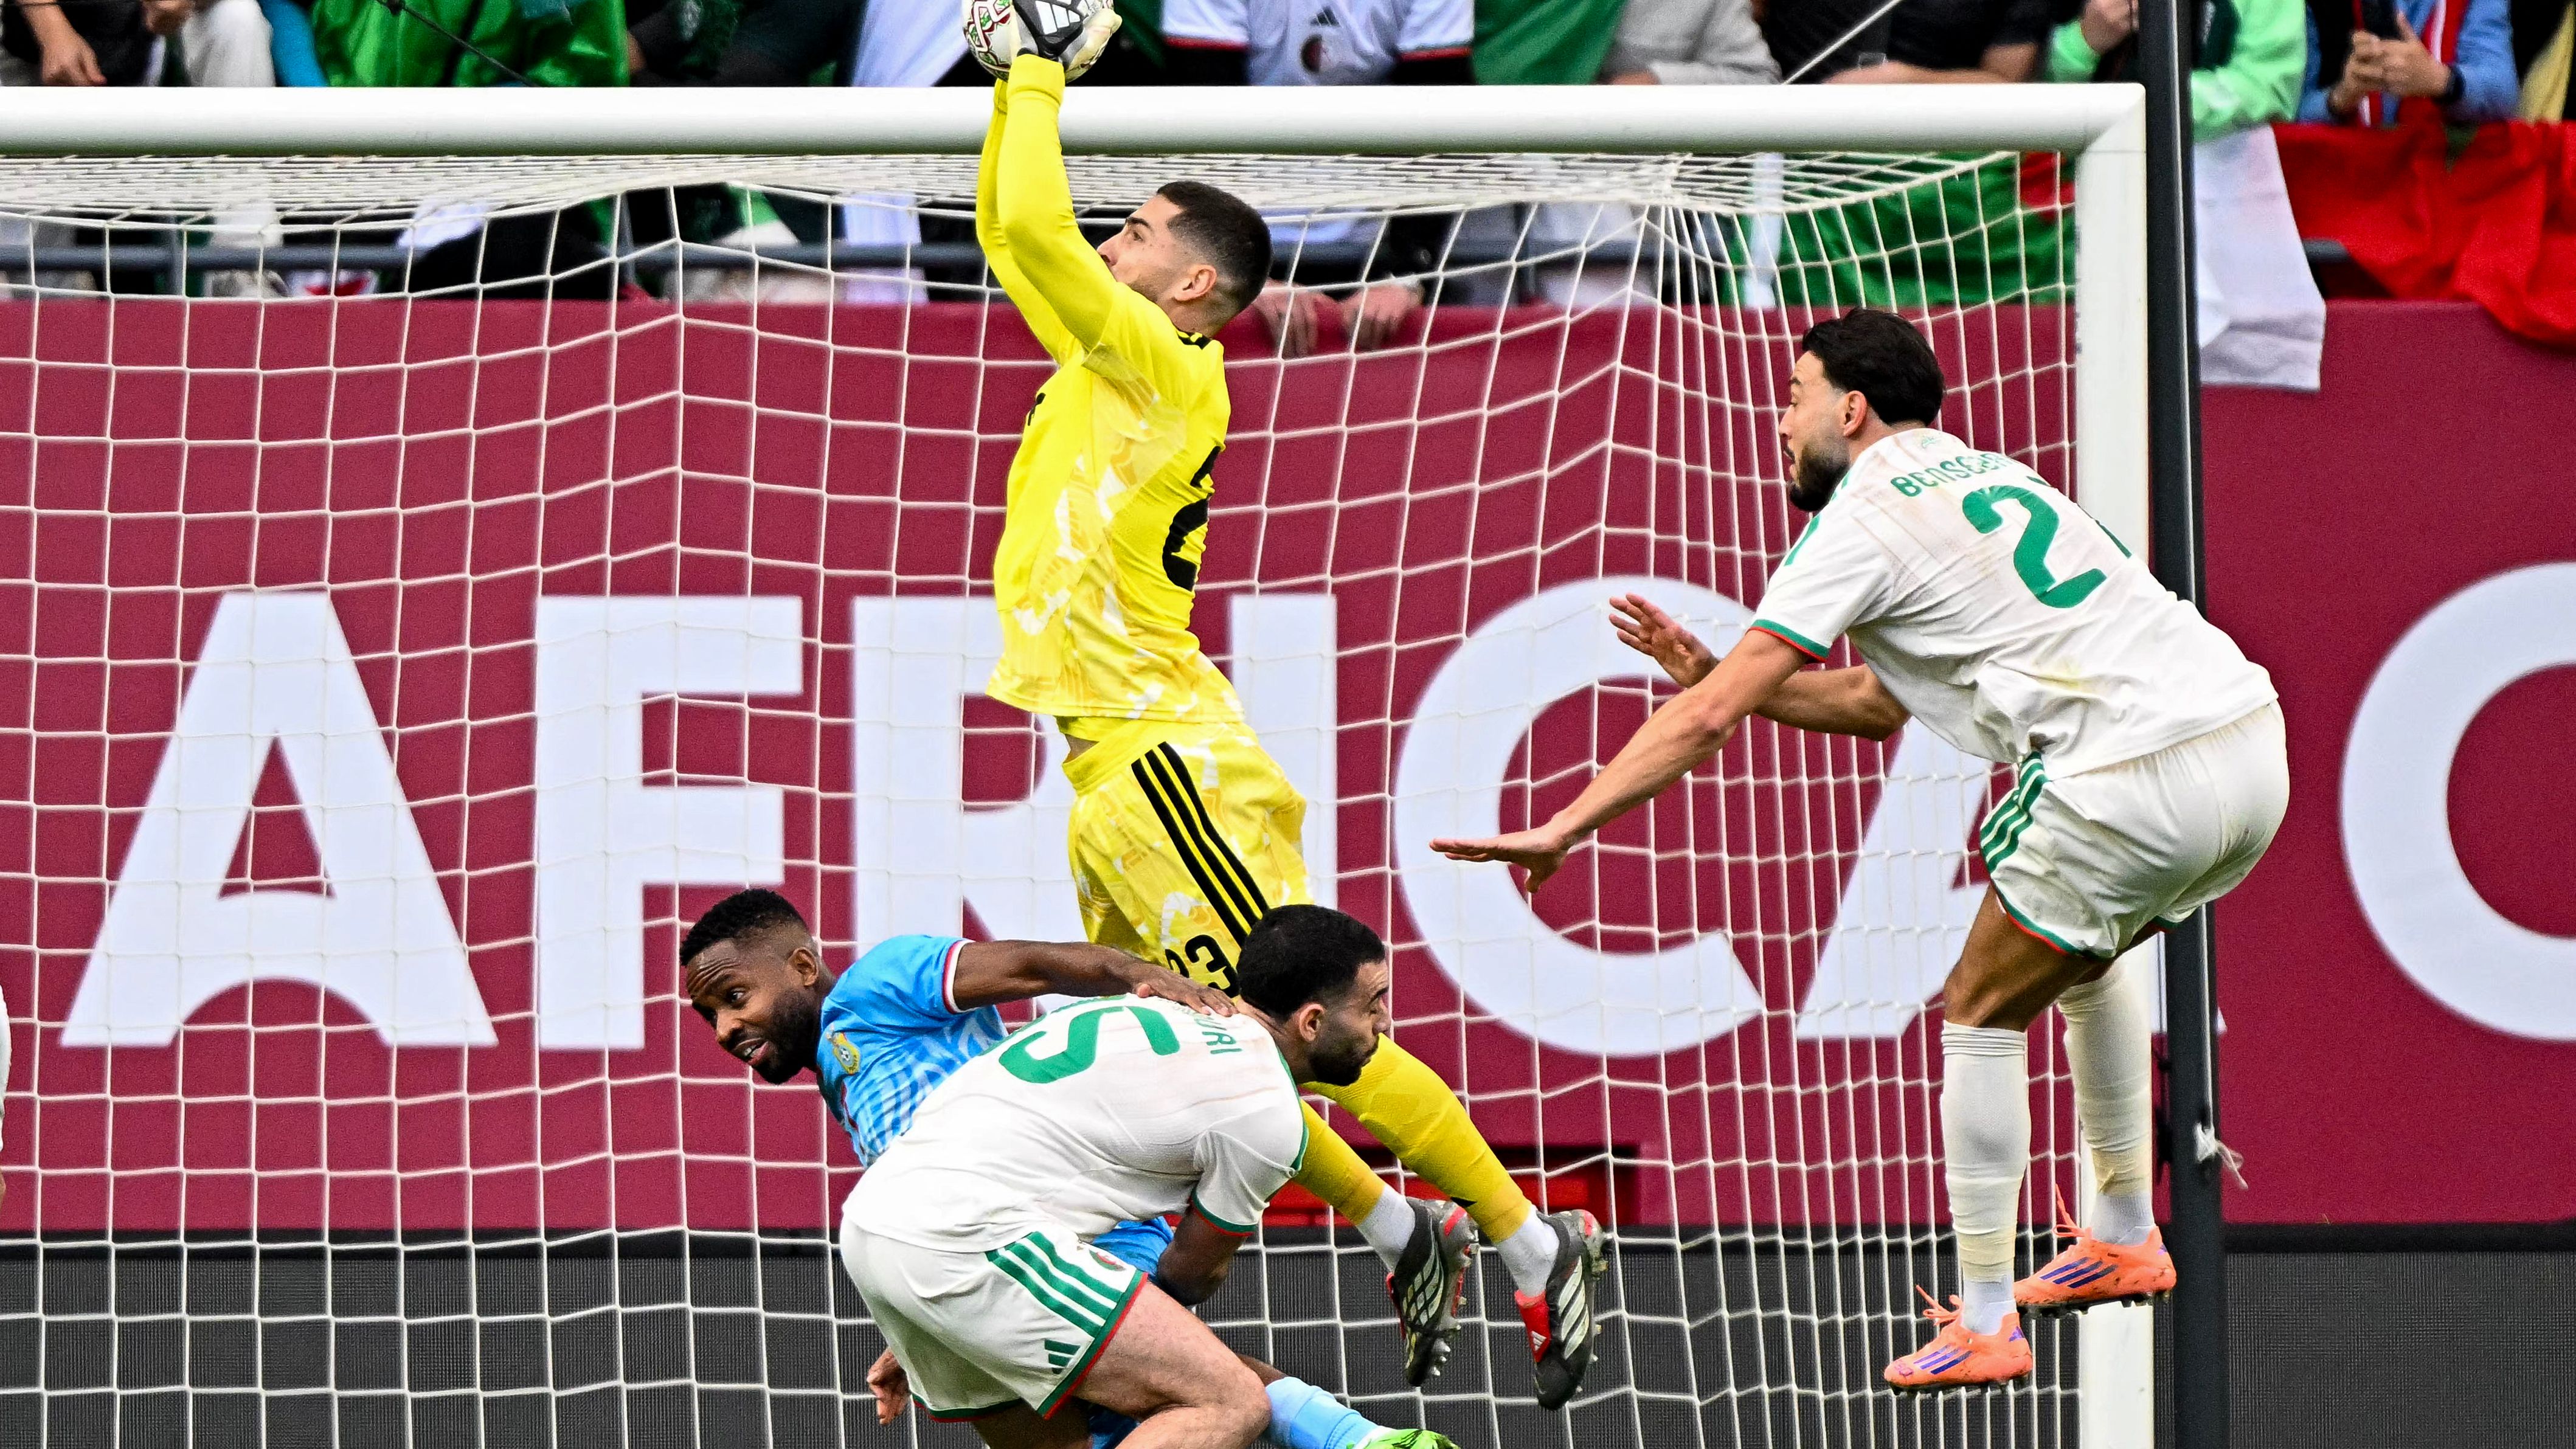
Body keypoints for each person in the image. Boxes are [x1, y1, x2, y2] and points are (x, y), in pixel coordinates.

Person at [1432, 310, 2287, 1391]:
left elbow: (1710, 721)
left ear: (1850, 408)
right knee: (2082, 951)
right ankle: (2121, 1229)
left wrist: (1568, 821)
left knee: (1979, 1003)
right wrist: (1714, 671)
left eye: (1794, 397)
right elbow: (1877, 704)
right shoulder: (1994, 475)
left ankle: (1987, 1318)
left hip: (2127, 771)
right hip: (2250, 748)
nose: (1780, 422)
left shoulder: (1862, 516)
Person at [974, 40, 1607, 1409]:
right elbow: (1010, 233)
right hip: (1111, 767)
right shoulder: (1108, 354)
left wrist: (1033, 73)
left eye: (1137, 233)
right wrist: (1011, 85)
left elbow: (1033, 224)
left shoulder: (1160, 359)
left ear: (1192, 287)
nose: (1111, 243)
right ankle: (1404, 1227)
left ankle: (1527, 1239)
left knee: (1282, 1029)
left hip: (1167, 757)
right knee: (1208, 1048)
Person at [680, 890, 1453, 1449]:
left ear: (804, 964)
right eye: (711, 1014)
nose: (724, 1028)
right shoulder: (842, 1071)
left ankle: (1356, 1437)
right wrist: (928, 1306)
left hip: (1030, 1210)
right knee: (1169, 1387)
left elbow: (1033, 965)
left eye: (735, 997)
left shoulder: (880, 981)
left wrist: (1138, 972)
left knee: (1178, 1385)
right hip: (959, 1236)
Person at [1159, 0, 1472, 356]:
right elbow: (1199, 122)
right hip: (1238, 250)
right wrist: (1235, 271)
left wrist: (1407, 276)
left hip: (1379, 248)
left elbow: (1440, 120)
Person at [2044, 0, 2304, 139]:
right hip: (2081, 179)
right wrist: (2083, 42)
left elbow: (2269, 91)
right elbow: (2035, 88)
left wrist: (2156, 100)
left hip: (2214, 183)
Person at [2299, 0, 2519, 125]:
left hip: (2444, 174)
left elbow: (2504, 93)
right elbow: (2293, 114)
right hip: (2346, 174)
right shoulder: (2315, 6)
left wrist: (2442, 81)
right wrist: (2340, 98)